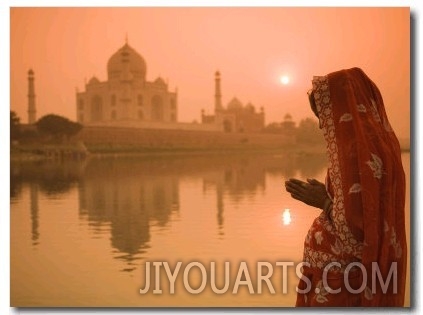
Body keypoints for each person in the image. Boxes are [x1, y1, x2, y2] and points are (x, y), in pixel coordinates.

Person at [285, 67, 407, 306]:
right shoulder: (381, 148)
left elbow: (358, 236)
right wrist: (328, 196)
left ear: (344, 110)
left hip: (343, 288)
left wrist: (323, 201)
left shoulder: (357, 155)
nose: (322, 126)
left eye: (324, 116)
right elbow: (364, 211)